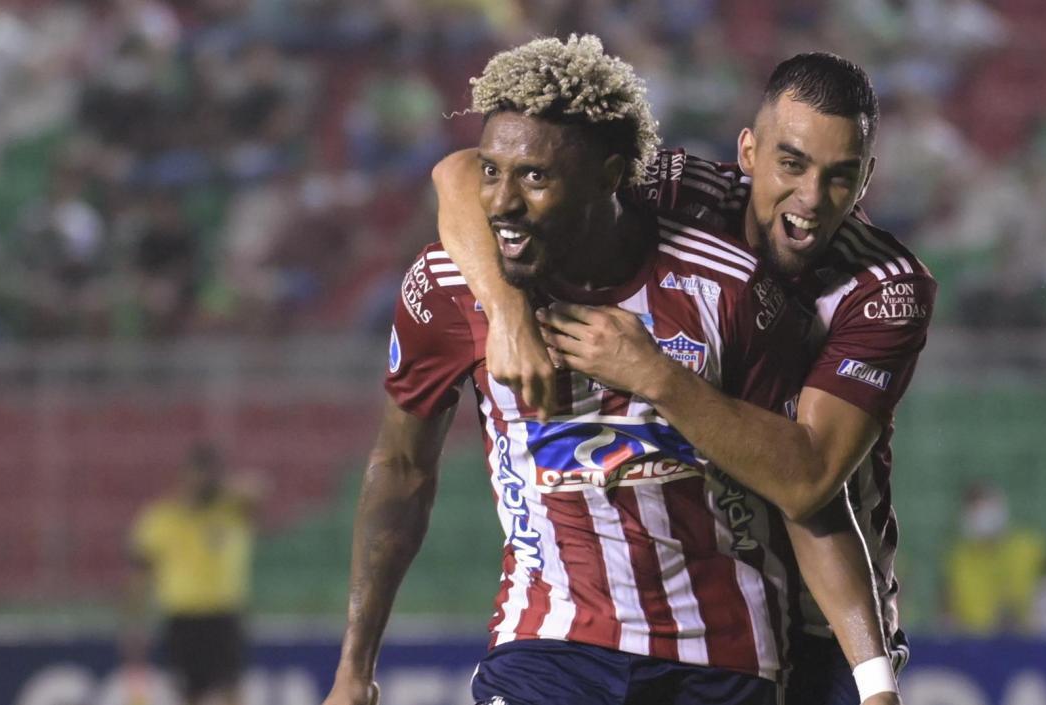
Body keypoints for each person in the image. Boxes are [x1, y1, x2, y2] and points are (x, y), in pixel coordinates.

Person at [324, 36, 898, 705]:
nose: (502, 202)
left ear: (609, 176)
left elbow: (805, 493)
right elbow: (400, 468)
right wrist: (353, 669)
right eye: (493, 172)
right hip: (549, 643)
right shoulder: (450, 287)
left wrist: (875, 685)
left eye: (536, 178)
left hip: (722, 657)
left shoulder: (731, 290)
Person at [128, 442, 261, 705]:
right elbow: (141, 576)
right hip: (182, 617)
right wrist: (135, 621)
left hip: (223, 614)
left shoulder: (231, 511)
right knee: (189, 694)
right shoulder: (161, 517)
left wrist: (219, 485)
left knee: (231, 689)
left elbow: (257, 489)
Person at [943, 482, 1046, 634]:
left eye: (984, 506)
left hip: (1030, 638)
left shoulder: (1030, 547)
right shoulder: (957, 558)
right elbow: (946, 609)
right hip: (975, 644)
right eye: (974, 508)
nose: (980, 515)